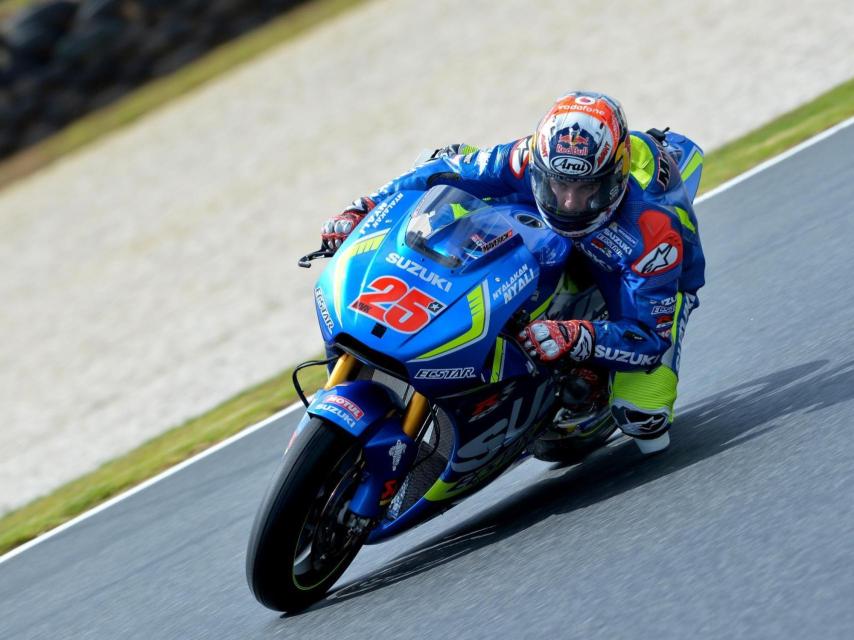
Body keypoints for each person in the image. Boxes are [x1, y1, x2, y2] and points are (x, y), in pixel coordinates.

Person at [321, 91, 705, 455]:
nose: (568, 201)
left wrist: (578, 336)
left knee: (644, 420)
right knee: (452, 163)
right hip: (545, 231)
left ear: (614, 178)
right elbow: (445, 170)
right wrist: (364, 206)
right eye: (557, 184)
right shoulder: (528, 158)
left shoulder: (652, 231)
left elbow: (648, 337)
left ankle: (592, 379)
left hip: (643, 273)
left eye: (585, 188)